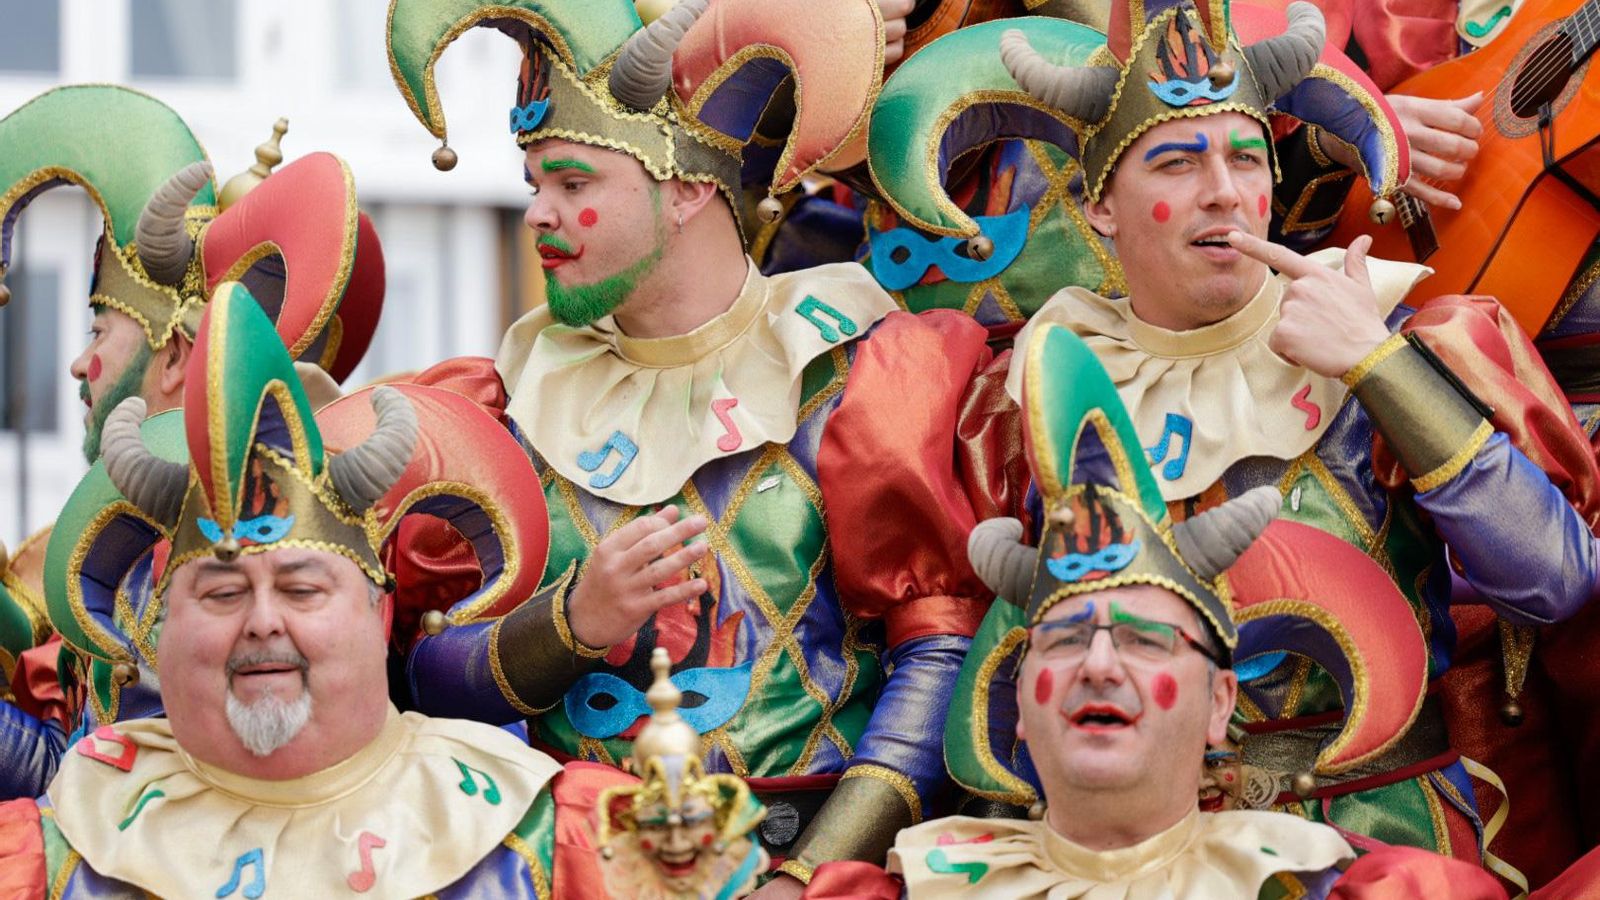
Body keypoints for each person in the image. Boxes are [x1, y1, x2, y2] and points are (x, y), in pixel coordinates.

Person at [887, 0, 1600, 866]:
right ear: (1102, 206)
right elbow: (978, 665)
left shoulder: (1392, 334)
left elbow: (1556, 582)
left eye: (1247, 158)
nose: (1223, 191)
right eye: (1178, 163)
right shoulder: (1027, 392)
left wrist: (1378, 367)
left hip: (1377, 854)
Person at [383, 0, 1000, 892]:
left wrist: (809, 875)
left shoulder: (853, 372)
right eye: (533, 185)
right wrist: (570, 625)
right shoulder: (510, 401)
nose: (538, 215)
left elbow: (940, 652)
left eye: (573, 184)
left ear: (686, 188)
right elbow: (423, 679)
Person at [804, 324, 1513, 898]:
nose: (1099, 666)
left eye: (1145, 641)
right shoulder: (924, 889)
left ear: (1219, 702)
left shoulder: (1337, 887)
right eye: (1065, 640)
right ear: (1018, 701)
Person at [0, 284, 656, 896]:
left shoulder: (565, 845)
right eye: (222, 593)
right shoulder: (44, 860)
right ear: (160, 624)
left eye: (303, 589)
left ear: (379, 612)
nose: (262, 621)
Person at [0, 84, 388, 800]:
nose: (80, 364)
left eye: (97, 332)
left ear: (177, 354)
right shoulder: (114, 538)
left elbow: (122, 790)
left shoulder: (216, 536)